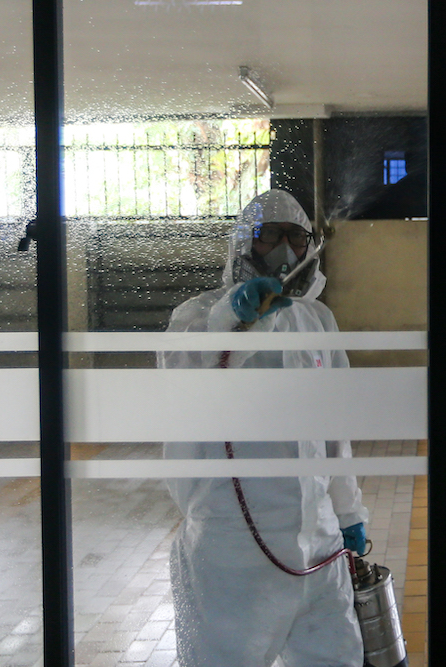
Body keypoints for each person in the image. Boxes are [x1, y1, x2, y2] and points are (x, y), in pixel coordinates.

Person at [159, 188, 369, 667]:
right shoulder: (197, 316)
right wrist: (235, 318)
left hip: (318, 543)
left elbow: (335, 427)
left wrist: (348, 512)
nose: (284, 249)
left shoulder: (317, 319)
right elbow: (186, 378)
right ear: (241, 245)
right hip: (232, 546)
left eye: (296, 237)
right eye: (268, 235)